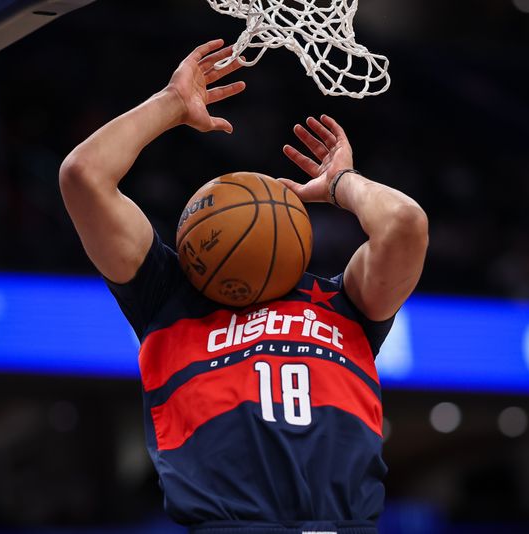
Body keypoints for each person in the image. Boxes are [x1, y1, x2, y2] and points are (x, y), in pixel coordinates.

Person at [59, 39, 428, 534]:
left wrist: (342, 183)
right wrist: (170, 104)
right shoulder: (164, 296)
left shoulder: (346, 303)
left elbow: (405, 223)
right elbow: (83, 176)